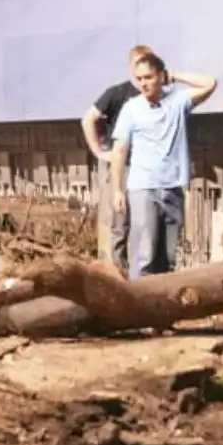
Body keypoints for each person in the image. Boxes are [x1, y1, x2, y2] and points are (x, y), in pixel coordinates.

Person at [110, 52, 218, 277]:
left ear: (160, 76)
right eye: (139, 79)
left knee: (168, 259)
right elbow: (119, 150)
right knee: (144, 256)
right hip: (143, 187)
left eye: (148, 77)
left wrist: (175, 76)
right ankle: (139, 307)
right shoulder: (131, 108)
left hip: (172, 186)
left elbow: (210, 83)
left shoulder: (177, 101)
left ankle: (161, 308)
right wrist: (117, 189)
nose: (143, 83)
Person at [78, 47, 148, 275]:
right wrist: (98, 151)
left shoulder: (156, 94)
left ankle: (142, 274)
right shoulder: (118, 93)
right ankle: (119, 273)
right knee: (120, 221)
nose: (142, 73)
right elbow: (88, 118)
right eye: (138, 65)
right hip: (123, 165)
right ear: (131, 67)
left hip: (148, 165)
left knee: (145, 222)